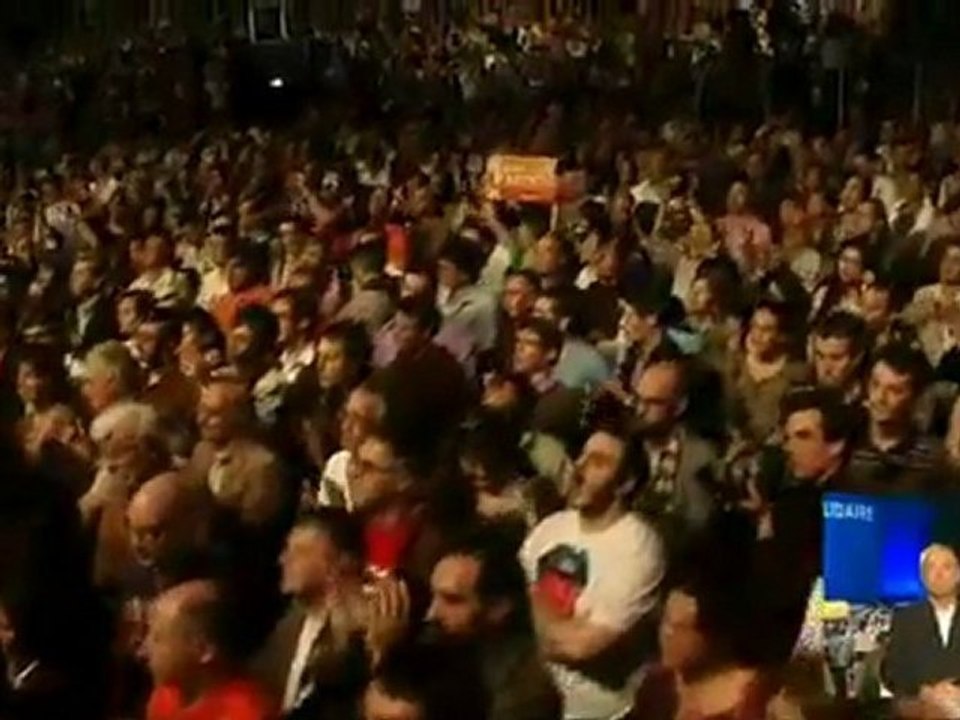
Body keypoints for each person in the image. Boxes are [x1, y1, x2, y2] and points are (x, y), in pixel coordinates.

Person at [521, 428, 665, 720]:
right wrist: (559, 625)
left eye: (598, 462)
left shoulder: (638, 546)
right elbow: (510, 612)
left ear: (626, 483)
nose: (578, 469)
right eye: (581, 457)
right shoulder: (550, 529)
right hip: (535, 704)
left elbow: (581, 647)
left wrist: (534, 603)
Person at [426, 529, 561, 720]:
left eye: (452, 600)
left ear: (498, 608)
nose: (431, 614)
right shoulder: (442, 644)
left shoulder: (522, 686)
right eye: (434, 596)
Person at [253, 509, 370, 719]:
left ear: (342, 562)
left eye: (300, 551)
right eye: (286, 549)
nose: (283, 560)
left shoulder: (367, 631)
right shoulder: (287, 626)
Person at [144, 580, 277, 720]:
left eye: (158, 638)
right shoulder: (165, 696)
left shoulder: (247, 713)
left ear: (203, 650)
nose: (144, 650)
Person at [883, 544, 960, 702]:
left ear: (958, 574)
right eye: (931, 568)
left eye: (946, 567)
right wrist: (923, 692)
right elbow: (892, 671)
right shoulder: (905, 618)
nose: (939, 574)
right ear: (923, 576)